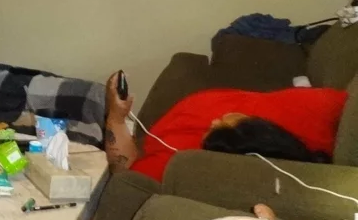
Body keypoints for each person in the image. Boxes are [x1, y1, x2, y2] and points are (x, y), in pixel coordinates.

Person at [102, 72, 343, 176]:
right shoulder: (316, 109)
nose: (216, 120)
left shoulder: (181, 162)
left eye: (217, 129)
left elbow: (123, 173)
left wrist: (116, 116)